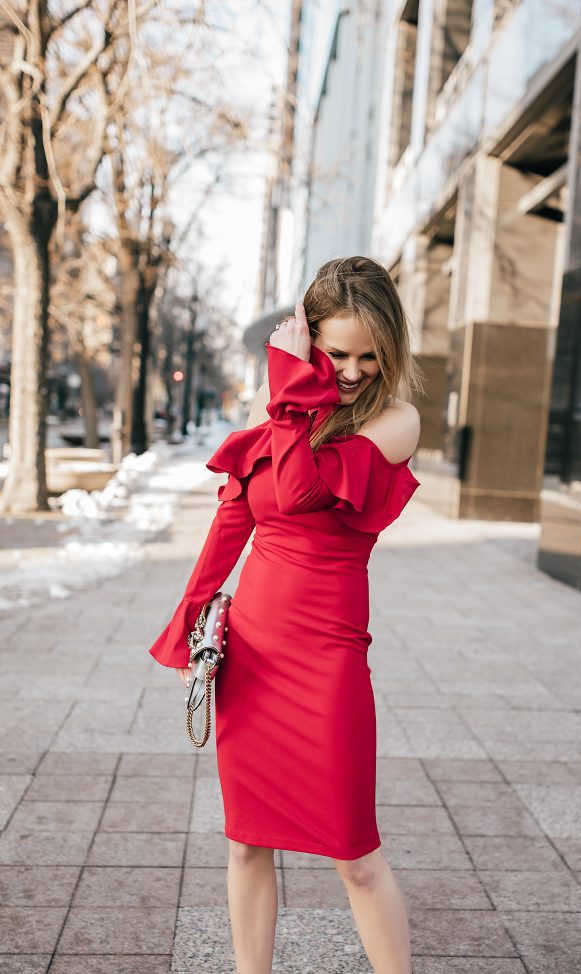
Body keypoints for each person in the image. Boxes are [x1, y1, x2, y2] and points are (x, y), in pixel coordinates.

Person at [148, 256, 423, 974]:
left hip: (328, 657)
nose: (355, 369)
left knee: (355, 857)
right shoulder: (275, 411)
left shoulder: (396, 421)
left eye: (370, 354)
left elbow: (301, 494)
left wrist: (291, 387)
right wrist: (189, 632)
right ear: (311, 340)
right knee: (246, 842)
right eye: (336, 353)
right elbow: (231, 524)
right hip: (255, 650)